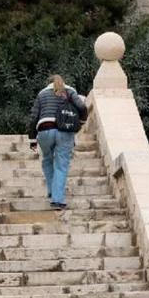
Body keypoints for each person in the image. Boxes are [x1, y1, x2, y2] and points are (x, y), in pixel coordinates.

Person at [27, 74, 88, 211]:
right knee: (61, 165)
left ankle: (51, 190)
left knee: (47, 160)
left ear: (48, 83)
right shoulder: (70, 91)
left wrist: (32, 140)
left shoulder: (42, 94)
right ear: (63, 82)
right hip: (64, 131)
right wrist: (80, 124)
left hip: (44, 131)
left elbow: (33, 117)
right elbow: (83, 108)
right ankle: (57, 200)